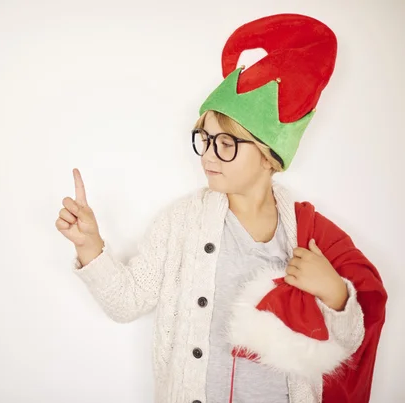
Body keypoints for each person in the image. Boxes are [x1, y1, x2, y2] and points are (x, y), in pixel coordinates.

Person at [55, 13, 387, 403]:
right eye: (205, 139)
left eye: (226, 143)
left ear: (269, 157)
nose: (209, 156)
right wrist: (89, 246)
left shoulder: (308, 235)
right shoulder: (181, 223)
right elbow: (128, 303)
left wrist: (335, 294)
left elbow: (347, 345)